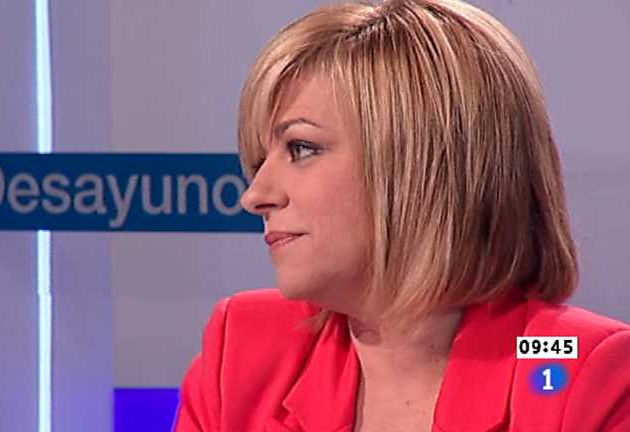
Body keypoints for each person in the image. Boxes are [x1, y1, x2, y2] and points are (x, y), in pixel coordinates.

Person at [175, 0, 630, 430]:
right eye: (260, 160)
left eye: (302, 148)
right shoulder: (242, 350)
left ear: (421, 163)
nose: (255, 196)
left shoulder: (583, 373)